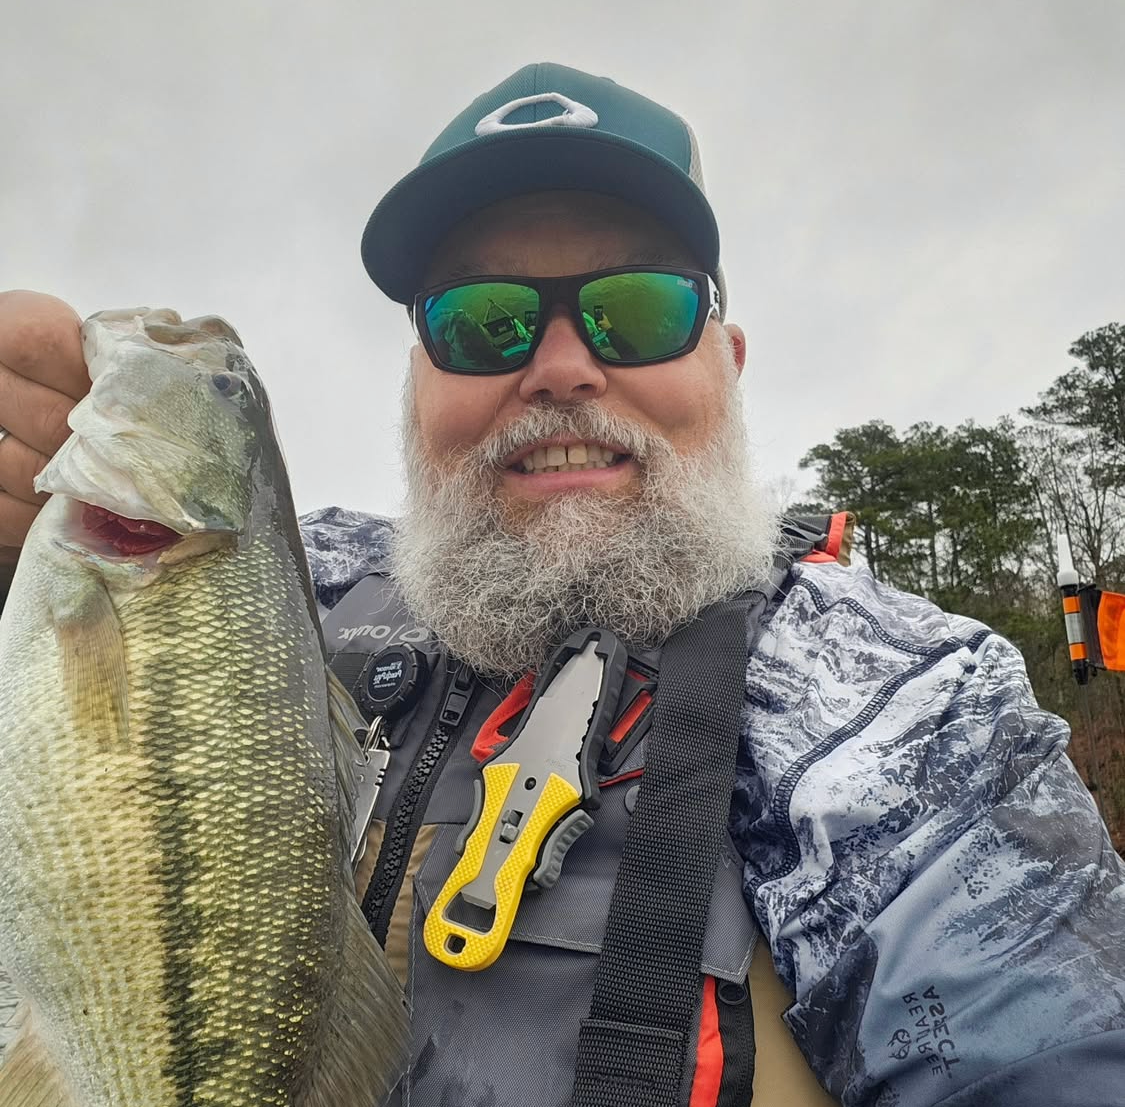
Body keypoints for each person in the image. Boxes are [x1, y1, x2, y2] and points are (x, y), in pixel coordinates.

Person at [1, 62, 1124, 1107]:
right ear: (418, 387)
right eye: (481, 323)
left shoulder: (911, 712)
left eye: (635, 310)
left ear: (725, 366)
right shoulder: (296, 580)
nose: (559, 366)